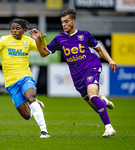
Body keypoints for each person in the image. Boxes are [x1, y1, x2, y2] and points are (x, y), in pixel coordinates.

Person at [29, 8, 117, 138]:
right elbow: (43, 54)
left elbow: (98, 49)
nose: (64, 24)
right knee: (95, 105)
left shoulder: (84, 35)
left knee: (92, 95)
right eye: (62, 22)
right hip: (77, 76)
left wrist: (110, 60)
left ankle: (109, 128)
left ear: (73, 21)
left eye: (66, 21)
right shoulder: (59, 39)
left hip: (90, 67)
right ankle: (102, 100)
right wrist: (37, 39)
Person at [0, 18, 49, 138]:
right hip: (11, 83)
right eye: (12, 28)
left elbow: (43, 49)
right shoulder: (4, 40)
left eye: (17, 28)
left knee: (30, 96)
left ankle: (44, 131)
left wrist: (40, 39)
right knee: (27, 116)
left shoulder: (28, 41)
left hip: (25, 77)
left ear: (24, 30)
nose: (14, 31)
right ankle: (36, 103)